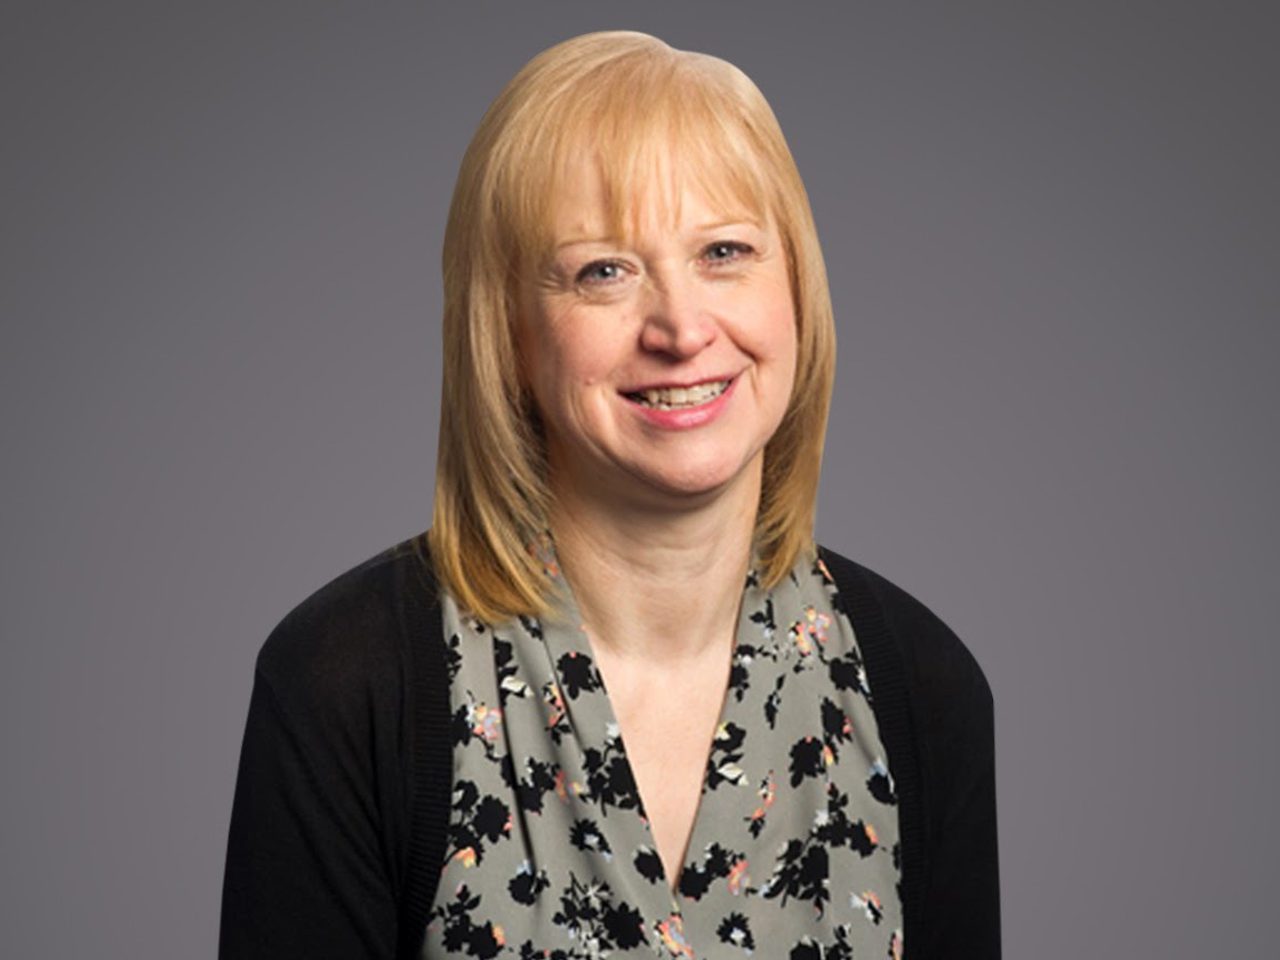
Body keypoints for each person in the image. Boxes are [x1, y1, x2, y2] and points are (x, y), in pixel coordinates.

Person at [219, 30, 1000, 960]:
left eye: (724, 251)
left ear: (796, 289)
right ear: (507, 331)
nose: (679, 327)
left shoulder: (919, 688)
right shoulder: (350, 685)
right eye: (604, 271)